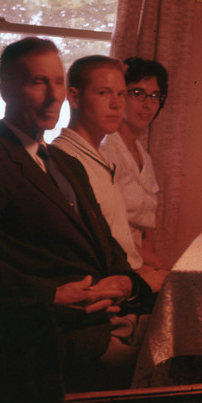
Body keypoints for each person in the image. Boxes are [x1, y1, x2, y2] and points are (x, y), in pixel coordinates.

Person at [0, 37, 154, 391]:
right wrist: (52, 294)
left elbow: (108, 246)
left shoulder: (67, 163)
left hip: (116, 316)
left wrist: (125, 281)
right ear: (5, 90)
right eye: (37, 82)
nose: (53, 95)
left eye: (57, 81)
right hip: (65, 336)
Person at [52, 56, 170, 293]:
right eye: (104, 93)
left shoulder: (101, 159)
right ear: (74, 97)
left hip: (126, 274)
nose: (117, 104)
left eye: (121, 94)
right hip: (105, 284)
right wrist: (138, 281)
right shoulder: (65, 160)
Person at [100, 57, 173, 277]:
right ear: (121, 95)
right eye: (138, 94)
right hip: (111, 260)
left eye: (155, 96)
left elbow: (145, 228)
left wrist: (153, 266)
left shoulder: (143, 156)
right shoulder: (106, 151)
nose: (148, 104)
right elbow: (106, 233)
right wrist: (159, 264)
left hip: (137, 260)